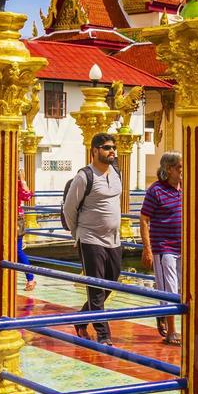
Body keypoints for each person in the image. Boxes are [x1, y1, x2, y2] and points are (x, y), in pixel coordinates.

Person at [60, 132, 122, 345]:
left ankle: (82, 318)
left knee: (112, 282)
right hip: (90, 239)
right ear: (94, 151)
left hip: (114, 239)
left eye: (113, 147)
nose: (111, 150)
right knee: (96, 287)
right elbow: (69, 209)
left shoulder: (116, 172)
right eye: (106, 147)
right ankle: (103, 335)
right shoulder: (84, 176)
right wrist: (77, 232)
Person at [139, 151, 183, 345]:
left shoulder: (184, 189)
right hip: (164, 247)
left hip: (184, 247)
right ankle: (171, 331)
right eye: (180, 167)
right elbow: (144, 218)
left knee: (184, 288)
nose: (183, 171)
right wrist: (147, 248)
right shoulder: (155, 190)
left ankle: (164, 315)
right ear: (169, 169)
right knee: (169, 289)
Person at [17, 174, 36, 293]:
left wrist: (23, 180)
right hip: (2, 219)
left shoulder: (17, 183)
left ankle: (30, 278)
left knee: (17, 251)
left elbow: (28, 196)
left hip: (15, 220)